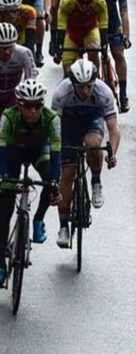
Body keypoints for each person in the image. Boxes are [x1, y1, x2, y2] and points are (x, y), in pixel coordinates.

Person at [0, 79, 61, 286]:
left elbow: (56, 155)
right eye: (28, 106)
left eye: (37, 106)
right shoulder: (8, 116)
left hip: (39, 151)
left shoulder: (52, 119)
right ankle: (1, 266)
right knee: (4, 209)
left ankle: (38, 220)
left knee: (49, 179)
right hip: (13, 153)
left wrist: (55, 183)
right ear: (19, 105)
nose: (33, 111)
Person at [51, 59, 120, 247]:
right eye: (81, 87)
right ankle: (63, 227)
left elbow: (114, 129)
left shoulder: (104, 92)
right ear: (72, 84)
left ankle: (96, 182)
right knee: (67, 174)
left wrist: (112, 153)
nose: (85, 91)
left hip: (92, 119)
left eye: (89, 86)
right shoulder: (61, 92)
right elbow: (54, 129)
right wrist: (54, 154)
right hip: (68, 123)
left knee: (93, 144)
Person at [0, 22, 38, 169]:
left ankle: (15, 167)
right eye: (2, 48)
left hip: (13, 94)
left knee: (16, 134)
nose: (7, 51)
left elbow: (31, 80)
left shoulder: (24, 53)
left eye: (10, 47)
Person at [92, 0, 131, 112]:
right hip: (95, 25)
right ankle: (94, 87)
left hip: (113, 25)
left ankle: (123, 94)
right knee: (93, 53)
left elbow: (124, 14)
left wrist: (126, 36)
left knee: (118, 54)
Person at [54, 0, 108, 73]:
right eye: (81, 1)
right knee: (68, 69)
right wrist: (59, 49)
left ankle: (96, 76)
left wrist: (104, 48)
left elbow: (103, 26)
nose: (84, 5)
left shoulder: (100, 4)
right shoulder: (67, 4)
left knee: (94, 50)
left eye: (88, 2)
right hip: (72, 34)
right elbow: (61, 28)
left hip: (90, 31)